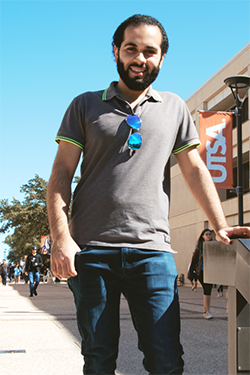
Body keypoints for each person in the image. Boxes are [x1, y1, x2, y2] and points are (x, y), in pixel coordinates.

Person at [46, 14, 250, 375]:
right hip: (92, 253)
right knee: (98, 359)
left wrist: (220, 226)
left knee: (167, 360)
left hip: (153, 253)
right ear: (115, 53)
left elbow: (194, 169)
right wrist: (61, 238)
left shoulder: (173, 108)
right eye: (131, 49)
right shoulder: (85, 104)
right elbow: (61, 172)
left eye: (149, 51)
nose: (140, 58)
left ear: (161, 57)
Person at [189, 229, 214, 319]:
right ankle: (206, 312)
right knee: (207, 289)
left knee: (208, 290)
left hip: (210, 271)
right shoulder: (199, 248)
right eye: (206, 234)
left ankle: (206, 311)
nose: (208, 236)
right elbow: (194, 261)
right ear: (202, 236)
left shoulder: (213, 246)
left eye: (209, 234)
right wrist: (190, 275)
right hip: (201, 272)